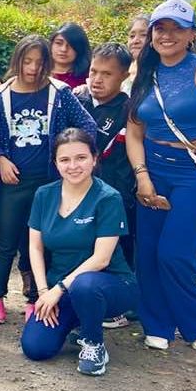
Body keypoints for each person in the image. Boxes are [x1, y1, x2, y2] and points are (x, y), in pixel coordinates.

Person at [126, 0, 196, 352]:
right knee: (147, 254)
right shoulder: (143, 72)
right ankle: (157, 324)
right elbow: (134, 131)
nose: (167, 35)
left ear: (192, 34)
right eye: (161, 28)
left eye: (178, 28)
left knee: (175, 253)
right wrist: (142, 176)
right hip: (153, 168)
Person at [0, 35, 97, 325]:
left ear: (48, 62)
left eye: (39, 62)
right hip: (14, 182)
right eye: (27, 61)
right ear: (17, 60)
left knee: (41, 243)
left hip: (48, 184)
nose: (32, 68)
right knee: (6, 241)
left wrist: (69, 161)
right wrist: (1, 158)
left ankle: (35, 299)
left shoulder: (59, 93)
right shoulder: (2, 95)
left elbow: (87, 126)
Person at [21, 129, 137, 376]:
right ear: (56, 163)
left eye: (81, 158)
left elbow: (101, 259)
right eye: (64, 160)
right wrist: (43, 292)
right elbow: (35, 246)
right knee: (35, 347)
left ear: (95, 158)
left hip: (108, 284)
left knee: (85, 285)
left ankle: (94, 344)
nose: (73, 166)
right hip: (59, 287)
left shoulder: (108, 198)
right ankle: (79, 320)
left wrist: (58, 289)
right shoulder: (45, 194)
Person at [75, 44, 137, 269]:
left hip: (115, 197)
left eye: (107, 74)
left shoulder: (129, 110)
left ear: (124, 75)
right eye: (94, 71)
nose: (97, 79)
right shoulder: (77, 102)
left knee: (116, 257)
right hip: (75, 194)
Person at [49, 22, 91, 89]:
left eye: (71, 45)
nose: (64, 49)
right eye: (59, 43)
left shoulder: (88, 79)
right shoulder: (39, 72)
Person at [122, 13, 149, 93]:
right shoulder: (121, 69)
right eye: (132, 36)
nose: (135, 41)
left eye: (143, 35)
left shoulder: (159, 73)